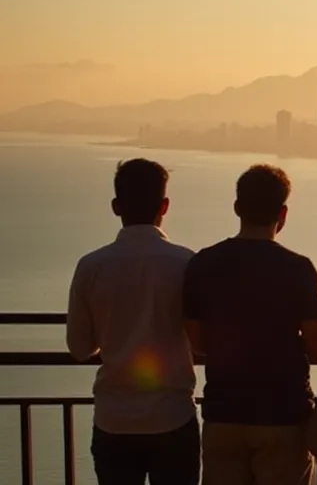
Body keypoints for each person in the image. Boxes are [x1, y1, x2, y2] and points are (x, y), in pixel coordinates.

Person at [183, 164, 317, 485]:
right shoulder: (298, 268)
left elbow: (198, 343)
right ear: (283, 213)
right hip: (284, 414)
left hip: (224, 412)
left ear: (237, 208)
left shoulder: (203, 263)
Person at [66, 158, 200, 485]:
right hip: (173, 416)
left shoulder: (91, 267)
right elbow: (202, 340)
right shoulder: (187, 263)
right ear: (164, 206)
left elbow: (80, 348)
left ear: (116, 206)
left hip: (114, 420)